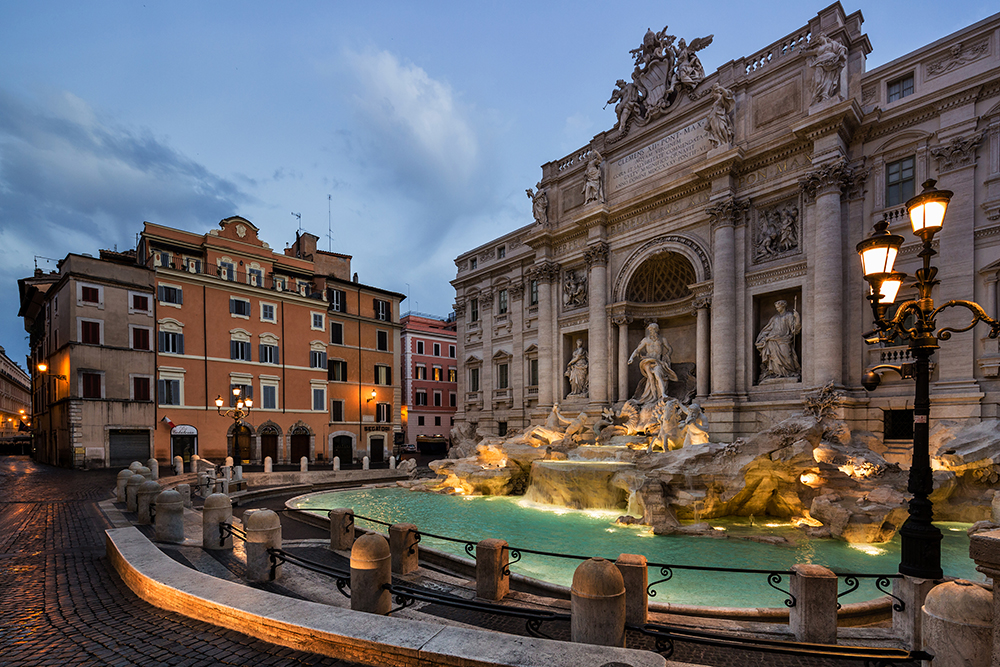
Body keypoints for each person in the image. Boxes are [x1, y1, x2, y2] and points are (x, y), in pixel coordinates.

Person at [628, 322, 679, 403]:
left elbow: (669, 349)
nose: (652, 331)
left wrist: (667, 355)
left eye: (654, 329)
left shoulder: (662, 339)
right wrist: (631, 358)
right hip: (647, 361)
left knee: (658, 374)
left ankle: (662, 394)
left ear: (657, 330)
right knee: (651, 378)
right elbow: (637, 350)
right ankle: (654, 397)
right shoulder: (646, 340)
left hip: (658, 361)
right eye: (651, 330)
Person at [755, 300, 802, 381]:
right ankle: (776, 373)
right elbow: (767, 329)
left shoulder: (789, 315)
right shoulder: (774, 318)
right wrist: (762, 338)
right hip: (772, 340)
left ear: (783, 306)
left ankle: (789, 372)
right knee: (773, 358)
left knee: (787, 356)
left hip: (785, 340)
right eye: (776, 307)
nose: (777, 309)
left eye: (778, 307)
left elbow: (794, 330)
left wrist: (797, 317)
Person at [806, 33, 847, 104]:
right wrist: (802, 52)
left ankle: (825, 94)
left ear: (824, 36)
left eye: (819, 38)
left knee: (829, 78)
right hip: (820, 63)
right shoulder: (818, 49)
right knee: (818, 80)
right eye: (817, 40)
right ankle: (817, 96)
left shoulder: (832, 44)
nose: (818, 41)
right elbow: (808, 53)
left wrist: (842, 53)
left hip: (831, 62)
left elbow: (841, 48)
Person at [706, 83, 735, 148]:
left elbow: (726, 94)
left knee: (722, 128)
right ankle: (718, 142)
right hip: (713, 117)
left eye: (713, 94)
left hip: (720, 116)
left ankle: (726, 142)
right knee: (715, 131)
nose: (713, 96)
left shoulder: (721, 99)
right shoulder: (714, 103)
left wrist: (721, 88)